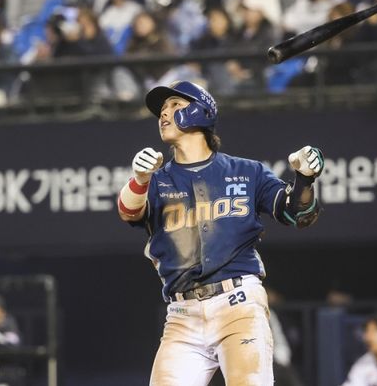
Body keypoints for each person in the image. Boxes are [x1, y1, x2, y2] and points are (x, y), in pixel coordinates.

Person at [117, 80, 324, 385]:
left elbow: (298, 214)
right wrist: (139, 179)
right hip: (181, 315)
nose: (164, 113)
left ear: (202, 111)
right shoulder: (156, 181)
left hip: (238, 303)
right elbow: (128, 211)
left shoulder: (247, 171)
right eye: (162, 109)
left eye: (175, 105)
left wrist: (304, 179)